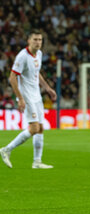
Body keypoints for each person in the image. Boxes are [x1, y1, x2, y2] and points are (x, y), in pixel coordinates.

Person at [0, 30, 56, 169]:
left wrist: (47, 88)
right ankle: (6, 149)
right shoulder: (22, 56)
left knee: (41, 128)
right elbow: (12, 77)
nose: (38, 42)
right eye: (35, 39)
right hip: (27, 96)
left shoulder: (39, 54)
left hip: (37, 95)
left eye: (40, 40)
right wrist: (20, 98)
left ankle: (37, 162)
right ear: (29, 41)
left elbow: (37, 74)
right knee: (34, 128)